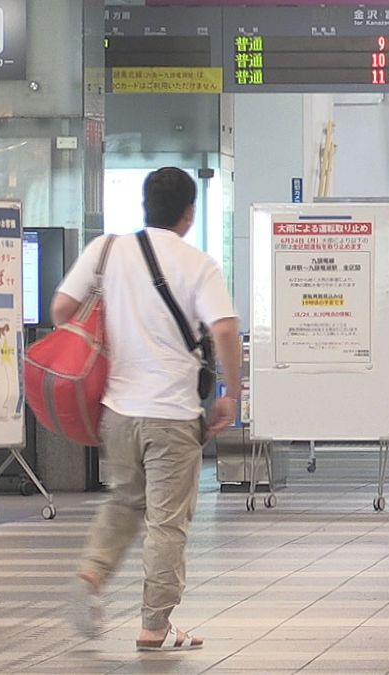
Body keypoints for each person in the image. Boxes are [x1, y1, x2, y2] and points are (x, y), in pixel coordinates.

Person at [54, 168, 241, 650]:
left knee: (123, 501)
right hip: (173, 416)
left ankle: (91, 575)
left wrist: (112, 345)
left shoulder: (107, 249)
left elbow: (61, 310)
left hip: (117, 411)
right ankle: (154, 625)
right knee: (167, 521)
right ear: (189, 213)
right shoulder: (197, 264)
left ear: (144, 206)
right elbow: (223, 330)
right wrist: (232, 394)